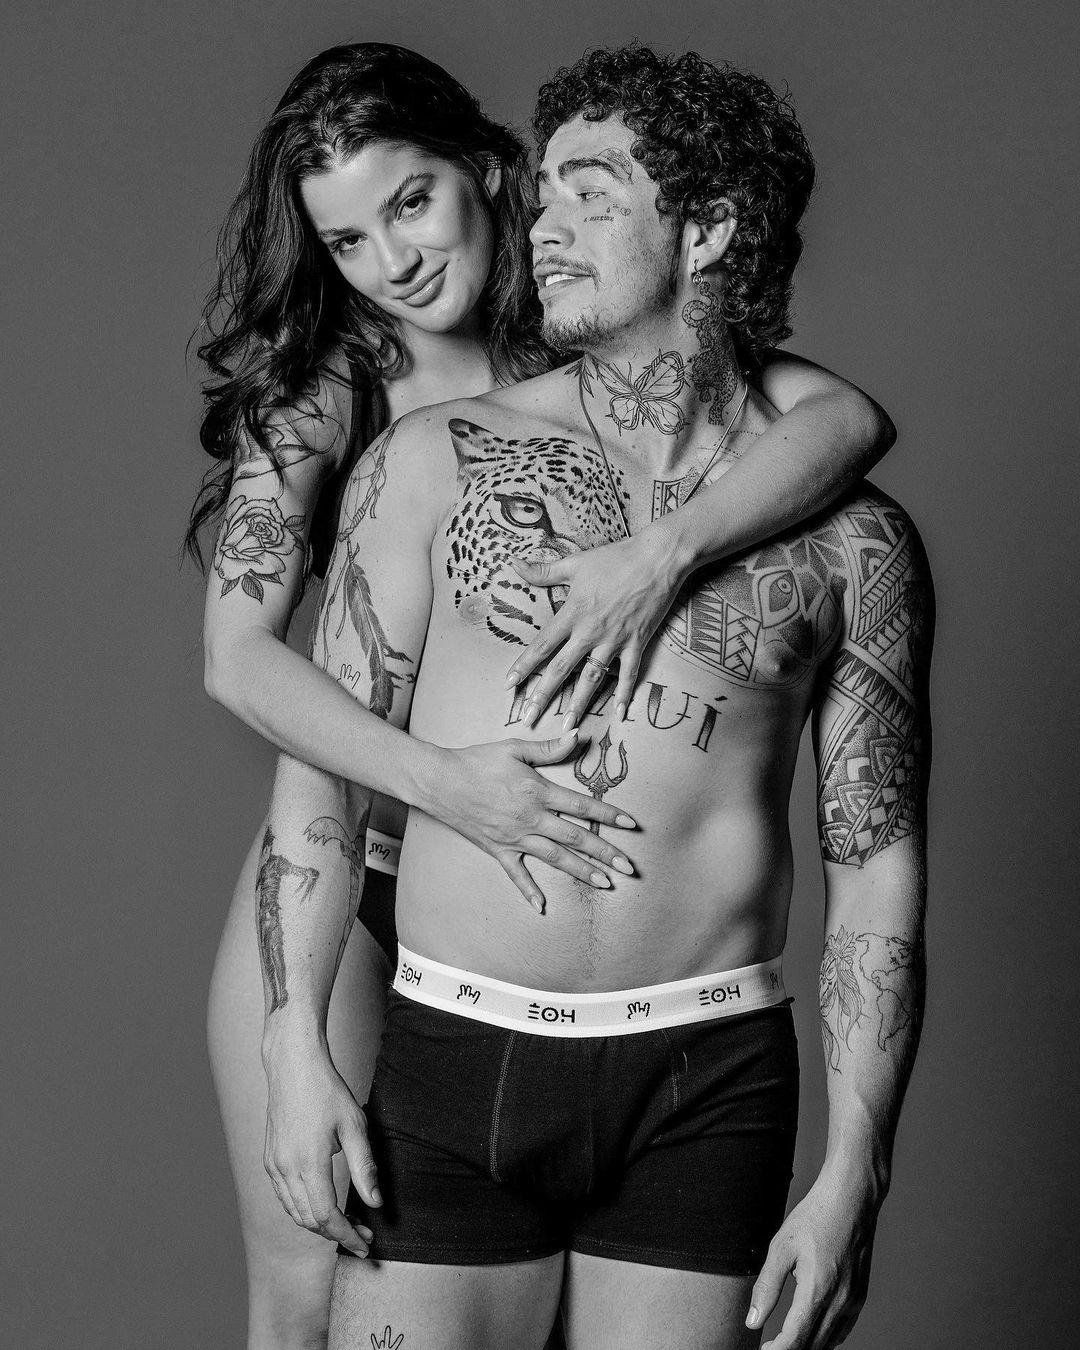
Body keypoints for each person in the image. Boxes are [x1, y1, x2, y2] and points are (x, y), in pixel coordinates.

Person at [191, 43, 902, 1350]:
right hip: (377, 861)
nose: (393, 261)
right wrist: (448, 785)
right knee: (309, 1280)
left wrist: (658, 555)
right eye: (346, 241)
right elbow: (237, 657)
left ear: (486, 171)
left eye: (412, 203)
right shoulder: (333, 390)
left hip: (629, 977)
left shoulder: (588, 314)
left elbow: (845, 423)